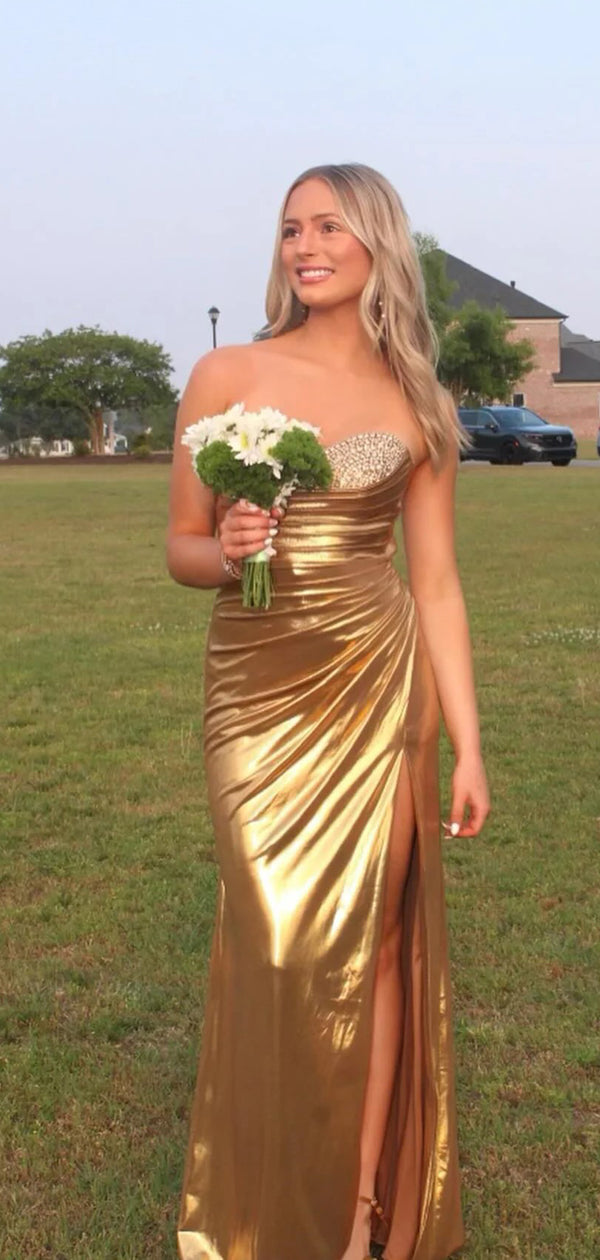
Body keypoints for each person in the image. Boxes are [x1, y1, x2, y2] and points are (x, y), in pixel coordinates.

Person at [167, 162, 490, 1260]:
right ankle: (263, 1197)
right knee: (277, 938)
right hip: (255, 691)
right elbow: (180, 548)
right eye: (292, 228)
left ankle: (355, 1218)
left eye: (330, 227)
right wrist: (229, 550)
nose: (305, 246)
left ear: (377, 244)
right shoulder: (227, 372)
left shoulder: (418, 402)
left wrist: (467, 745)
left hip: (378, 688)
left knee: (378, 946)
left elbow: (435, 581)